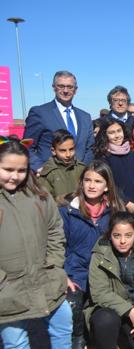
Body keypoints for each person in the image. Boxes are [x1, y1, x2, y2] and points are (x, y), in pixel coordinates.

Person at [0, 136, 72, 348]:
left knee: (62, 326)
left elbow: (55, 230)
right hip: (8, 288)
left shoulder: (39, 196)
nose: (15, 176)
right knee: (16, 341)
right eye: (8, 169)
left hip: (47, 277)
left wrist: (55, 263)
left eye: (21, 170)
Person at [60, 160, 125, 348]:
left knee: (107, 316)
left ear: (106, 186)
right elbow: (57, 246)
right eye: (87, 180)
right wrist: (62, 275)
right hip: (76, 272)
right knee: (72, 304)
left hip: (106, 273)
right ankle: (77, 337)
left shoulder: (115, 210)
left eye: (98, 181)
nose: (91, 185)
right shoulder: (67, 211)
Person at [85, 212, 134, 349]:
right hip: (108, 309)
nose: (123, 241)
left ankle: (121, 335)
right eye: (117, 235)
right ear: (110, 235)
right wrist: (129, 311)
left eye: (128, 235)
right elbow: (99, 292)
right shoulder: (101, 253)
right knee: (105, 321)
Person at [24, 70, 94, 172]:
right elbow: (27, 145)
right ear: (54, 87)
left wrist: (83, 169)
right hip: (50, 178)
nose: (65, 90)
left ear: (75, 90)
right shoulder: (40, 113)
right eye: (61, 86)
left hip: (78, 177)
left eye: (70, 87)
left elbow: (90, 148)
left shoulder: (85, 117)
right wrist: (39, 168)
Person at [94, 118, 134, 214]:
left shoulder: (130, 153)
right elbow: (109, 183)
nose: (117, 136)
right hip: (119, 205)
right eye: (111, 132)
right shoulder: (103, 156)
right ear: (105, 135)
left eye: (119, 131)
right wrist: (126, 203)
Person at [39, 129, 86, 204]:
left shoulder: (81, 168)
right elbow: (44, 202)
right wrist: (62, 200)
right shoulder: (48, 172)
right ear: (53, 151)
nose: (68, 155)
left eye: (71, 149)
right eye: (63, 151)